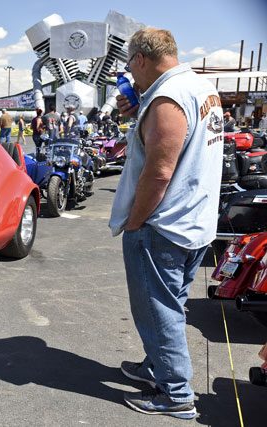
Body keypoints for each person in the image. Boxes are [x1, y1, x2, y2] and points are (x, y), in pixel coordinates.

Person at [109, 27, 224, 420]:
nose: (129, 71)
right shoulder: (198, 87)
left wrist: (136, 222)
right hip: (193, 219)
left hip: (164, 226)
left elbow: (158, 173)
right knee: (169, 302)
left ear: (140, 59)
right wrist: (141, 106)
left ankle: (176, 392)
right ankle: (158, 365)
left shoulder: (167, 99)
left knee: (158, 309)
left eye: (130, 64)